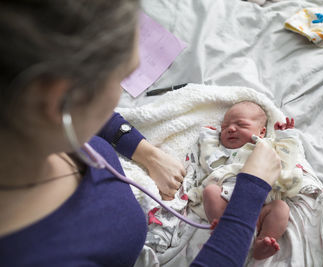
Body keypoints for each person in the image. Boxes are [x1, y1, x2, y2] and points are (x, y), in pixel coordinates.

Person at [0, 1, 282, 266]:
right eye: (122, 77)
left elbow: (96, 118)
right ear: (59, 101)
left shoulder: (24, 120)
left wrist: (145, 152)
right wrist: (250, 192)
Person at [199, 101, 291, 260]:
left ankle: (262, 242)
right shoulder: (222, 151)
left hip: (261, 205)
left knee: (281, 208)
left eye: (241, 124)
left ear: (261, 132)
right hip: (227, 203)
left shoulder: (266, 146)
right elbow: (208, 163)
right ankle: (223, 229)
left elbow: (286, 159)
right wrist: (208, 136)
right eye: (225, 126)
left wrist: (287, 137)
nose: (231, 129)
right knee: (211, 191)